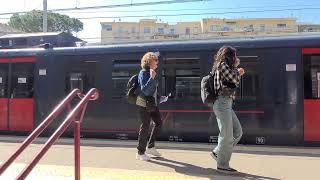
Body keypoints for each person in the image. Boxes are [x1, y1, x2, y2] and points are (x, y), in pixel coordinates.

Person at [210, 46, 245, 173]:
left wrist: (235, 69)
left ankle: (218, 152)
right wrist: (238, 72)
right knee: (227, 135)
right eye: (234, 55)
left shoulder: (225, 65)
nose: (235, 57)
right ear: (229, 55)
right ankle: (222, 164)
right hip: (222, 102)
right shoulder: (222, 64)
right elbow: (233, 78)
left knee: (237, 132)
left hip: (227, 103)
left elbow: (232, 81)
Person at [135, 52, 163, 161]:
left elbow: (152, 91)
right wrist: (151, 78)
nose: (157, 62)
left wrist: (160, 97)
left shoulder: (152, 72)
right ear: (149, 62)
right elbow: (145, 90)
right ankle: (140, 152)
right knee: (145, 126)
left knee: (159, 123)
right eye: (155, 60)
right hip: (144, 104)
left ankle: (150, 146)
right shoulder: (143, 73)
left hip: (152, 103)